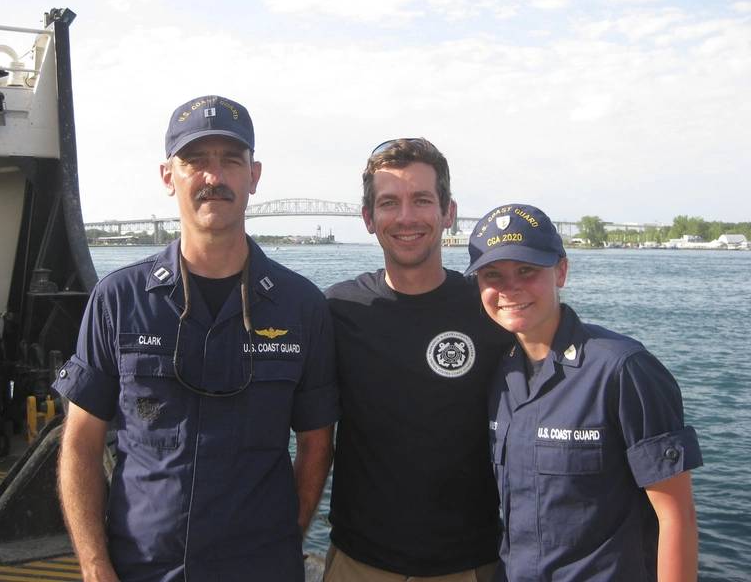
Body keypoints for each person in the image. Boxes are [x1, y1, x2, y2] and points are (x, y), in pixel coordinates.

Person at [54, 95, 339, 582]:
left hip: (261, 567)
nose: (214, 177)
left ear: (254, 175)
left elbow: (316, 443)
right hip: (141, 566)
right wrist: (95, 566)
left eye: (231, 160)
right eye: (195, 161)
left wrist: (286, 536)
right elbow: (81, 443)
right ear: (169, 176)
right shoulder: (118, 300)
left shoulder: (302, 305)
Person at [464, 203, 702, 582]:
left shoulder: (623, 370)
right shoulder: (502, 374)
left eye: (527, 270)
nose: (510, 289)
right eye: (493, 275)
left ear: (561, 271)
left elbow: (676, 515)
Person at [324, 138, 512, 581]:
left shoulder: (493, 311)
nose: (406, 217)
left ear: (448, 212)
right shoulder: (335, 311)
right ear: (369, 218)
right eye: (389, 203)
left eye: (422, 200)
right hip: (358, 563)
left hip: (471, 564)